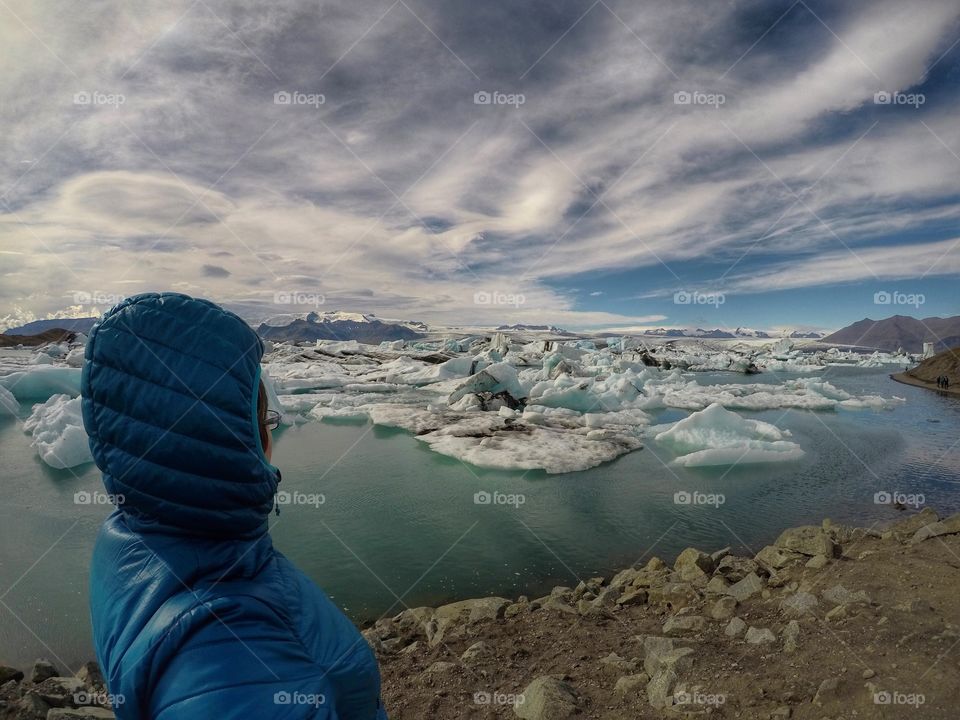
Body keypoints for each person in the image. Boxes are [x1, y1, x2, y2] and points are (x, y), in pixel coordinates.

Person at [81, 292, 387, 719]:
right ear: (228, 437)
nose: (270, 436)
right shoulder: (233, 646)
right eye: (262, 420)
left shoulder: (129, 536)